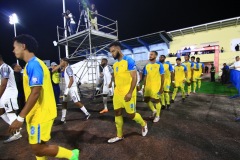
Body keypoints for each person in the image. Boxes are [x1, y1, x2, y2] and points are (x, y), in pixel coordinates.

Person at [11, 34, 79, 159]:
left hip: (40, 113)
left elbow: (35, 92)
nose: (13, 50)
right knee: (40, 146)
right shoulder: (32, 65)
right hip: (37, 113)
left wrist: (20, 118)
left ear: (23, 46)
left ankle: (71, 155)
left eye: (15, 47)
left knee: (37, 149)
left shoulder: (34, 64)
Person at [108, 41, 148, 143]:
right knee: (117, 113)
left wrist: (130, 92)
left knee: (131, 115)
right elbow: (116, 78)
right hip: (117, 93)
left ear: (118, 49)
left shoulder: (129, 60)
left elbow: (134, 78)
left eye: (113, 51)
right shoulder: (115, 64)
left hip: (128, 92)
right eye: (111, 52)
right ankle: (119, 136)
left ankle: (143, 123)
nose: (112, 54)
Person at [53, 58, 91, 124]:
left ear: (65, 62)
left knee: (76, 102)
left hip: (72, 88)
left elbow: (71, 80)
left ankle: (87, 113)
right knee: (64, 102)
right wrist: (60, 64)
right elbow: (53, 70)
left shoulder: (68, 69)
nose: (60, 62)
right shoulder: (65, 68)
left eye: (62, 61)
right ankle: (63, 118)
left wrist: (67, 90)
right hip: (68, 88)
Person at [0, 55, 22, 143]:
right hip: (4, 94)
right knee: (1, 111)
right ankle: (16, 126)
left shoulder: (5, 67)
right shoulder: (2, 68)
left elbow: (4, 84)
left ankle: (17, 133)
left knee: (10, 112)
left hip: (9, 93)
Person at [143, 51, 164, 123]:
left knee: (157, 101)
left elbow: (162, 77)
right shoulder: (147, 65)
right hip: (148, 87)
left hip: (156, 86)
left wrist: (161, 87)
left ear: (155, 56)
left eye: (152, 54)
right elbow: (145, 76)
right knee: (146, 100)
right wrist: (144, 86)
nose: (150, 56)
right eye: (150, 54)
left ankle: (157, 115)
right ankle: (154, 110)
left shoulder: (159, 65)